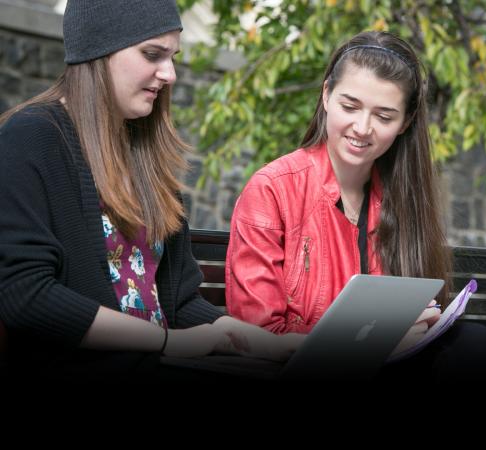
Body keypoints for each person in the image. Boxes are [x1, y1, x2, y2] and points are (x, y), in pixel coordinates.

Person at [0, 0, 303, 381]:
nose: (170, 73)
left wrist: (266, 344)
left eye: (173, 56)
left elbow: (180, 303)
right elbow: (26, 297)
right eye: (152, 54)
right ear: (98, 50)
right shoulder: (32, 138)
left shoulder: (143, 149)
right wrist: (166, 342)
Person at [226, 31, 486, 380]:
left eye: (384, 117)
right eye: (350, 106)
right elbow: (257, 339)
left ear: (405, 122)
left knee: (474, 342)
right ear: (326, 95)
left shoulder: (403, 197)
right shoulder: (273, 189)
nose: (362, 127)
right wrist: (371, 343)